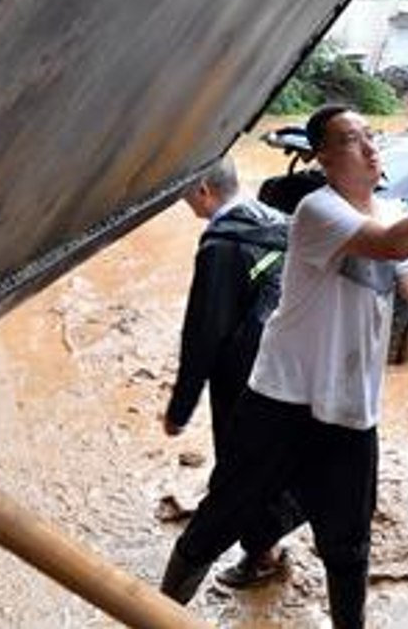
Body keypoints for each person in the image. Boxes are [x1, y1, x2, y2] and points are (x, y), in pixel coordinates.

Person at [159, 105, 408, 627]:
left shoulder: (393, 208)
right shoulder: (318, 211)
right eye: (354, 140)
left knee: (349, 545)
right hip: (280, 400)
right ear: (325, 158)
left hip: (351, 409)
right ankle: (151, 612)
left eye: (371, 136)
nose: (371, 147)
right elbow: (393, 245)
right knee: (221, 519)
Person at [164, 156, 302, 588]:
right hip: (294, 371)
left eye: (185, 194)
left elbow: (203, 334)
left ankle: (258, 557)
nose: (183, 202)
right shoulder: (279, 222)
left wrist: (180, 409)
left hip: (246, 382)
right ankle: (270, 547)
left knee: (241, 474)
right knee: (277, 462)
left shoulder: (221, 247)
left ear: (203, 190)